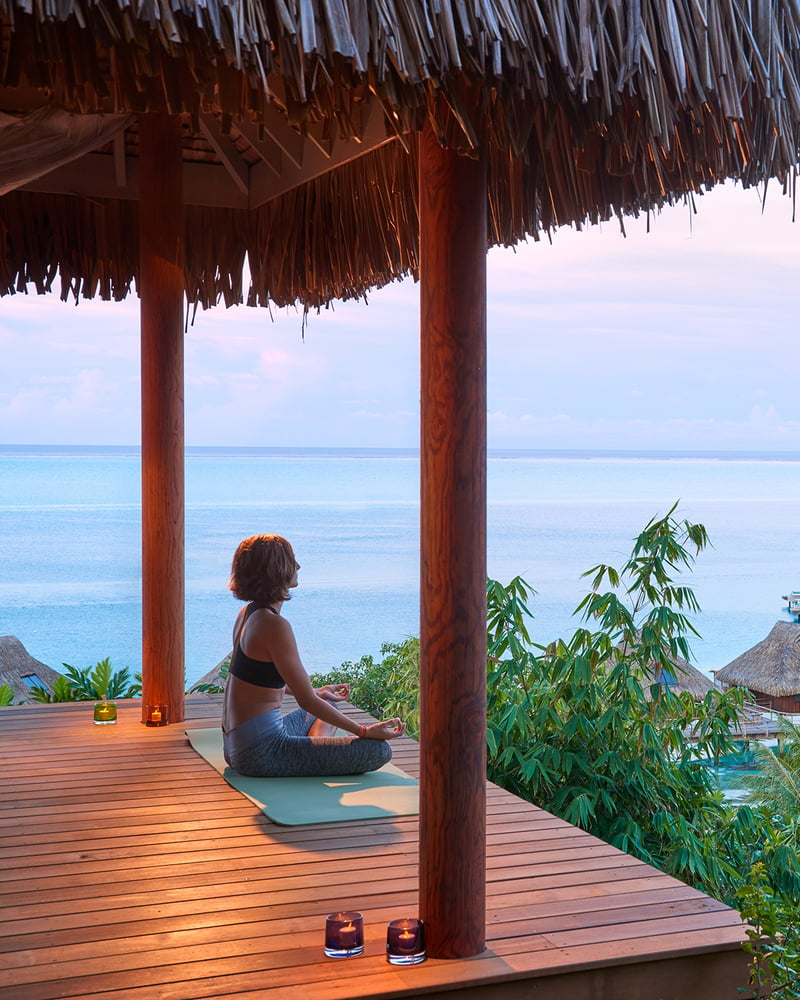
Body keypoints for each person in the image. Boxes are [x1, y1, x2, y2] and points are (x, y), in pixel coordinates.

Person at [221, 533, 406, 777]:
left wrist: (317, 692)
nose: (298, 566)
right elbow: (306, 702)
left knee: (327, 702)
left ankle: (319, 746)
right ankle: (320, 750)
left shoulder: (248, 614)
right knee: (379, 751)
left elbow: (256, 679)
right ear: (275, 569)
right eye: (291, 560)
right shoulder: (274, 625)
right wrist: (363, 731)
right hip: (261, 754)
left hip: (236, 745)